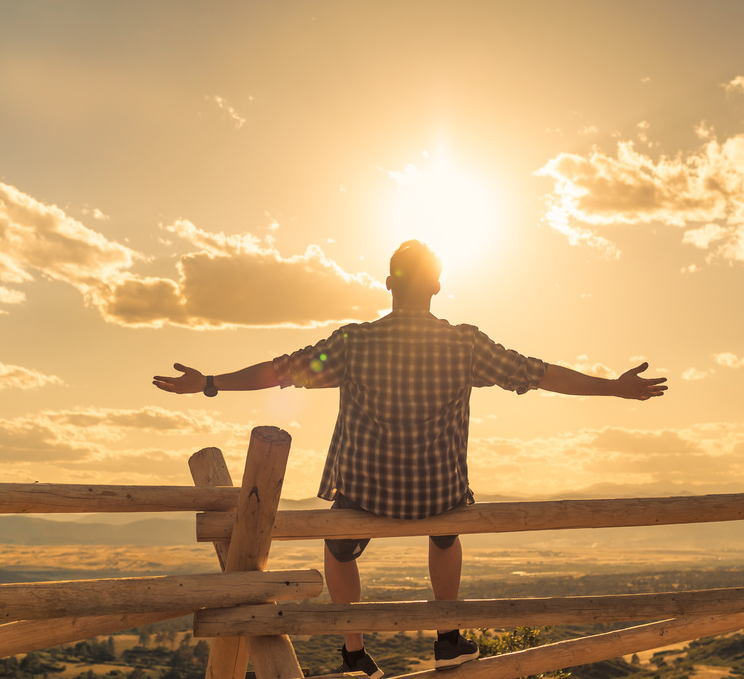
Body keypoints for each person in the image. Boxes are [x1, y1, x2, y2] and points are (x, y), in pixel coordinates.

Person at [153, 240, 667, 676]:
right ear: (438, 287)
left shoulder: (355, 342)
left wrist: (212, 384)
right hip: (436, 492)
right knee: (448, 528)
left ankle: (353, 653)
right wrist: (614, 390)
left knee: (337, 544)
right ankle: (447, 636)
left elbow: (281, 371)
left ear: (387, 284)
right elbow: (538, 374)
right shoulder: (464, 344)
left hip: (364, 490)